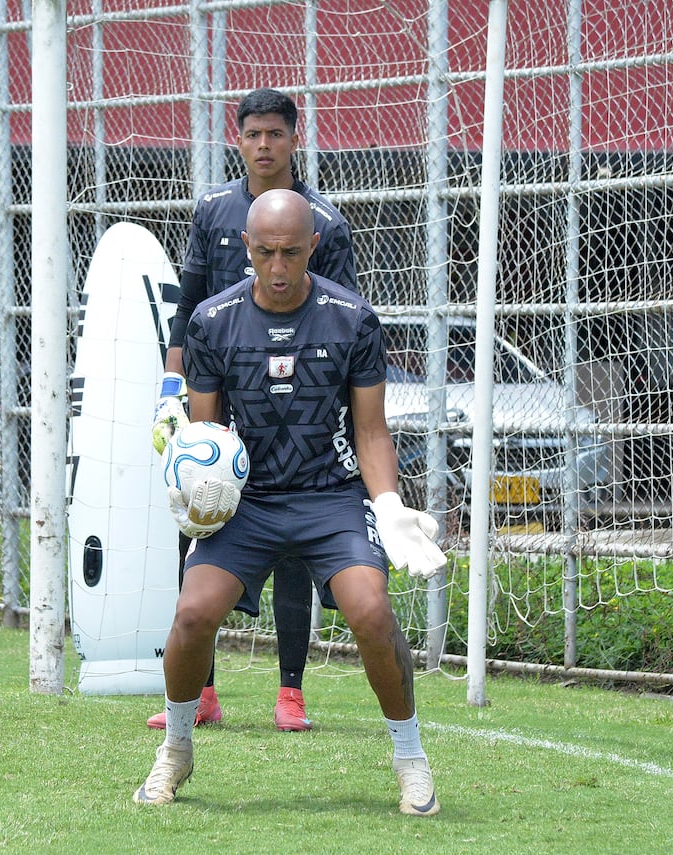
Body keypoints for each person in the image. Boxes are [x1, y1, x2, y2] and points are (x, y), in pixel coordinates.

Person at [135, 189, 446, 814]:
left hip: (329, 499)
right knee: (193, 614)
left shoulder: (352, 319)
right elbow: (208, 437)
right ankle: (176, 748)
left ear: (315, 248)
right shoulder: (212, 322)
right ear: (247, 247)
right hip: (248, 505)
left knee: (372, 612)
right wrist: (187, 466)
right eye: (266, 253)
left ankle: (410, 756)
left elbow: (370, 430)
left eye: (293, 253)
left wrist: (387, 504)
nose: (278, 268)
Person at [149, 87, 357, 732]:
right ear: (236, 140)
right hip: (220, 393)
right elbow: (189, 306)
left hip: (295, 405)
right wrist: (170, 388)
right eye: (252, 134)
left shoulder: (326, 220)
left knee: (293, 537)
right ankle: (202, 692)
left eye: (275, 134)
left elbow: (346, 322)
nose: (263, 145)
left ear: (296, 138)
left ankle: (289, 691)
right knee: (200, 522)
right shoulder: (212, 211)